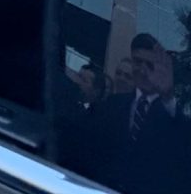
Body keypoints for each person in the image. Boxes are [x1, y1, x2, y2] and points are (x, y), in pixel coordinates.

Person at [73, 33, 191, 193]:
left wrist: (168, 97)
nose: (142, 69)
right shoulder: (110, 105)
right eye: (138, 62)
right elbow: (85, 151)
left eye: (149, 64)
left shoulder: (173, 117)